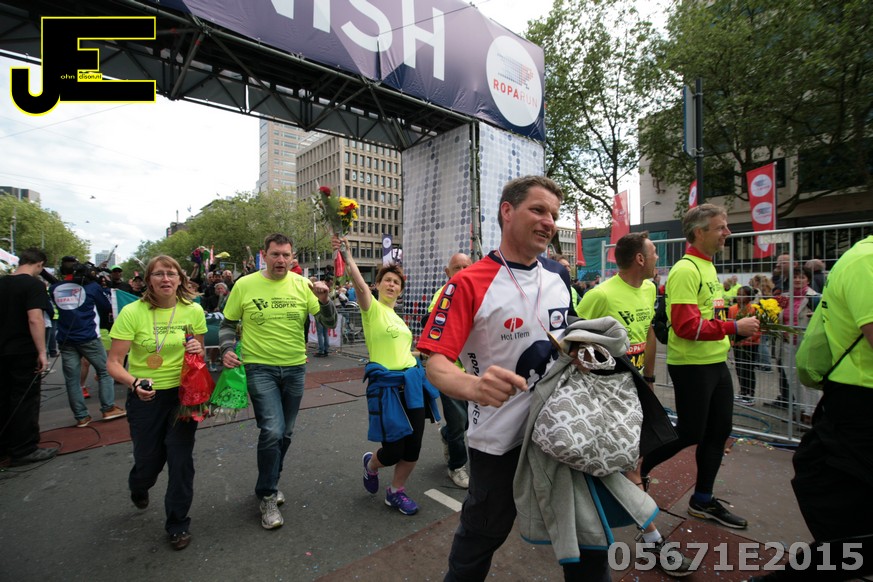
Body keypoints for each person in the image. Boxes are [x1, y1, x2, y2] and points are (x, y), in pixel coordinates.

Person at [418, 176, 597, 580]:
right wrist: (475, 387)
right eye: (538, 210)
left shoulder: (558, 275)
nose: (549, 221)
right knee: (483, 535)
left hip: (561, 429)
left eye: (553, 214)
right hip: (499, 441)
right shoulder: (467, 283)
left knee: (586, 537)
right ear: (507, 211)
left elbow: (563, 337)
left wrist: (583, 353)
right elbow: (436, 364)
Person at [750, 235, 873, 582]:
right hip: (858, 404)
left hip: (852, 405)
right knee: (849, 526)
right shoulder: (866, 261)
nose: (727, 232)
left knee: (851, 526)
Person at [577, 232, 693, 577]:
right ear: (640, 258)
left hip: (636, 389)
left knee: (627, 463)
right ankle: (652, 539)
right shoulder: (600, 295)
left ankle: (593, 523)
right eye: (654, 252)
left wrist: (650, 379)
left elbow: (649, 334)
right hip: (605, 393)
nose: (658, 258)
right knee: (629, 465)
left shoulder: (649, 290)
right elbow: (572, 339)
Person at [640, 203, 759, 530]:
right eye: (720, 227)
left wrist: (733, 326)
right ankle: (637, 471)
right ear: (699, 232)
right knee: (691, 432)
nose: (727, 233)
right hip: (692, 365)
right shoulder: (686, 270)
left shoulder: (708, 267)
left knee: (719, 431)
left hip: (716, 362)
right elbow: (685, 326)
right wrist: (734, 327)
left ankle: (702, 500)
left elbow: (708, 317)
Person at [219, 233, 336, 530]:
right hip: (260, 368)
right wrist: (226, 349)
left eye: (286, 255)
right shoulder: (245, 285)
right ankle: (268, 495)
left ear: (292, 257)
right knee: (272, 430)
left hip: (295, 369)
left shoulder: (302, 284)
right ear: (264, 255)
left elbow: (329, 322)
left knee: (285, 433)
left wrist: (324, 300)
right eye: (275, 254)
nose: (281, 260)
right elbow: (227, 324)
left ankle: (268, 483)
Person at [332, 234, 439, 515]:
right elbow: (358, 284)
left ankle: (395, 492)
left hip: (412, 385)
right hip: (387, 388)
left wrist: (421, 355)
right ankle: (371, 464)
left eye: (396, 283)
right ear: (378, 285)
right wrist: (347, 255)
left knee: (413, 448)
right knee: (392, 451)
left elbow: (402, 350)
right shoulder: (372, 310)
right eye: (387, 280)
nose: (392, 285)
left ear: (400, 290)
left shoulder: (399, 319)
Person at [106, 255, 207, 551]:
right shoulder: (132, 312)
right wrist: (134, 382)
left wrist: (197, 348)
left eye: (171, 274)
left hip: (182, 396)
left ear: (180, 279)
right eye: (159, 274)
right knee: (149, 461)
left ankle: (178, 524)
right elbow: (113, 362)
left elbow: (199, 354)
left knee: (180, 460)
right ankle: (139, 484)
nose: (165, 279)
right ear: (148, 280)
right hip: (145, 396)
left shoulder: (193, 310)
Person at [0, 248, 58, 466]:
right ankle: (24, 449)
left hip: (2, 349)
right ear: (40, 264)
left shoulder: (2, 282)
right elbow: (35, 319)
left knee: (3, 398)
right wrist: (42, 351)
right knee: (25, 400)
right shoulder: (33, 285)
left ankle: (4, 446)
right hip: (23, 350)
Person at [50, 262, 127, 428]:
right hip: (89, 337)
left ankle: (81, 417)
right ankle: (108, 408)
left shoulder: (54, 288)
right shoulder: (92, 288)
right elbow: (106, 305)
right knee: (106, 371)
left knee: (72, 379)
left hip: (65, 340)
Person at [425, 252, 473, 489]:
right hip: (450, 370)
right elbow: (431, 326)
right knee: (458, 423)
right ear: (448, 273)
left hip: (474, 369)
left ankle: (446, 435)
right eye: (457, 268)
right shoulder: (442, 295)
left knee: (467, 423)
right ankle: (456, 466)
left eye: (466, 267)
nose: (462, 272)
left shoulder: (480, 292)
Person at [780, 267, 820, 423]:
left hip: (806, 343)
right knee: (792, 378)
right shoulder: (784, 297)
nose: (797, 280)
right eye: (795, 277)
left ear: (808, 280)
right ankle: (802, 408)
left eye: (802, 277)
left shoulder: (815, 297)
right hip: (787, 343)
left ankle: (812, 412)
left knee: (808, 378)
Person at [728, 286, 760, 405]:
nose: (739, 297)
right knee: (739, 367)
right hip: (737, 343)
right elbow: (730, 324)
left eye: (742, 294)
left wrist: (750, 338)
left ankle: (750, 394)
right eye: (738, 294)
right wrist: (732, 340)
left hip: (750, 343)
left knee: (748, 368)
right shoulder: (732, 309)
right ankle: (743, 391)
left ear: (749, 297)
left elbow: (758, 329)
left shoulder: (753, 309)